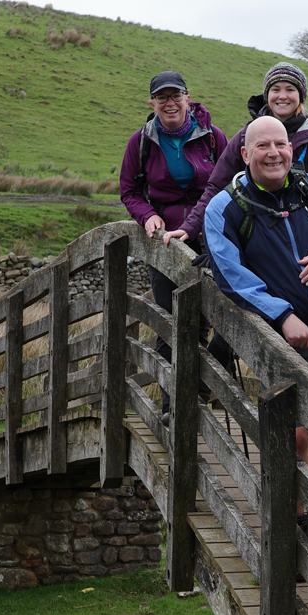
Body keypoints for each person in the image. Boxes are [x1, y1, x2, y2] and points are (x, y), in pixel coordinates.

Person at [204, 116, 308, 578]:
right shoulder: (226, 207)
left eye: (281, 144)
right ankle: (290, 524)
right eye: (263, 146)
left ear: (291, 149)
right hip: (281, 342)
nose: (274, 152)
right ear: (246, 153)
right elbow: (229, 274)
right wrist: (282, 313)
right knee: (292, 435)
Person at [119, 71, 230, 421]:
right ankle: (173, 408)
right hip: (165, 240)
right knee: (171, 319)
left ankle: (200, 388)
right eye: (161, 97)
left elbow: (227, 185)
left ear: (187, 98)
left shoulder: (213, 137)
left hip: (209, 235)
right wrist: (147, 215)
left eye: (175, 95)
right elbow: (129, 191)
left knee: (218, 317)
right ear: (152, 103)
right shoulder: (141, 141)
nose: (170, 103)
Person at [166, 62, 308, 247]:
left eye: (290, 89)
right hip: (258, 242)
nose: (282, 96)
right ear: (266, 96)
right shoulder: (244, 137)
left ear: (301, 96)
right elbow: (217, 187)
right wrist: (190, 227)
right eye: (275, 89)